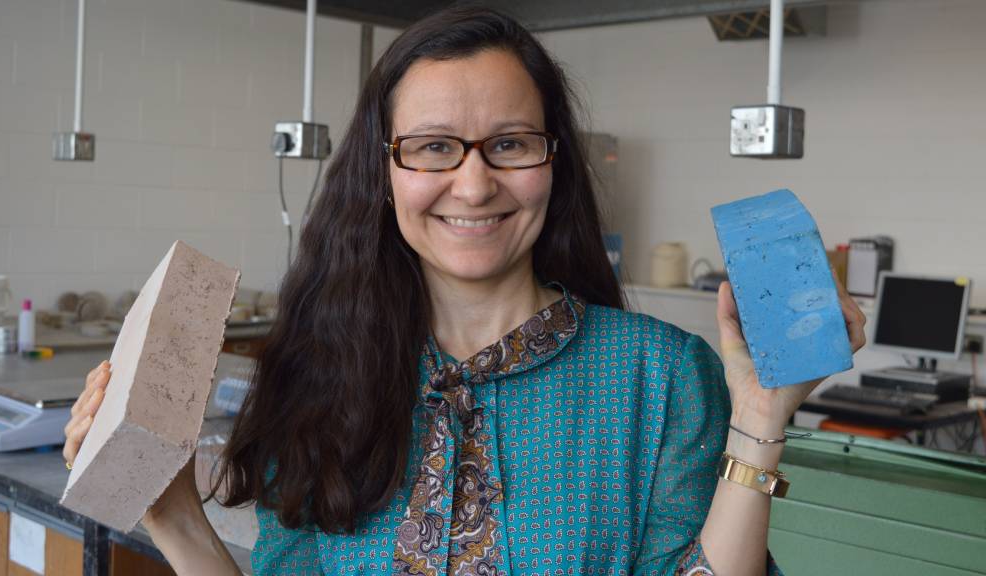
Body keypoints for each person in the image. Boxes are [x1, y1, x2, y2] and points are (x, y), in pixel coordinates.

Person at [63, 6, 866, 575]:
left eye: (509, 143)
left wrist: (759, 421)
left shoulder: (661, 379)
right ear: (384, 173)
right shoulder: (317, 378)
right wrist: (171, 516)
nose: (474, 185)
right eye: (434, 147)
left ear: (552, 163)